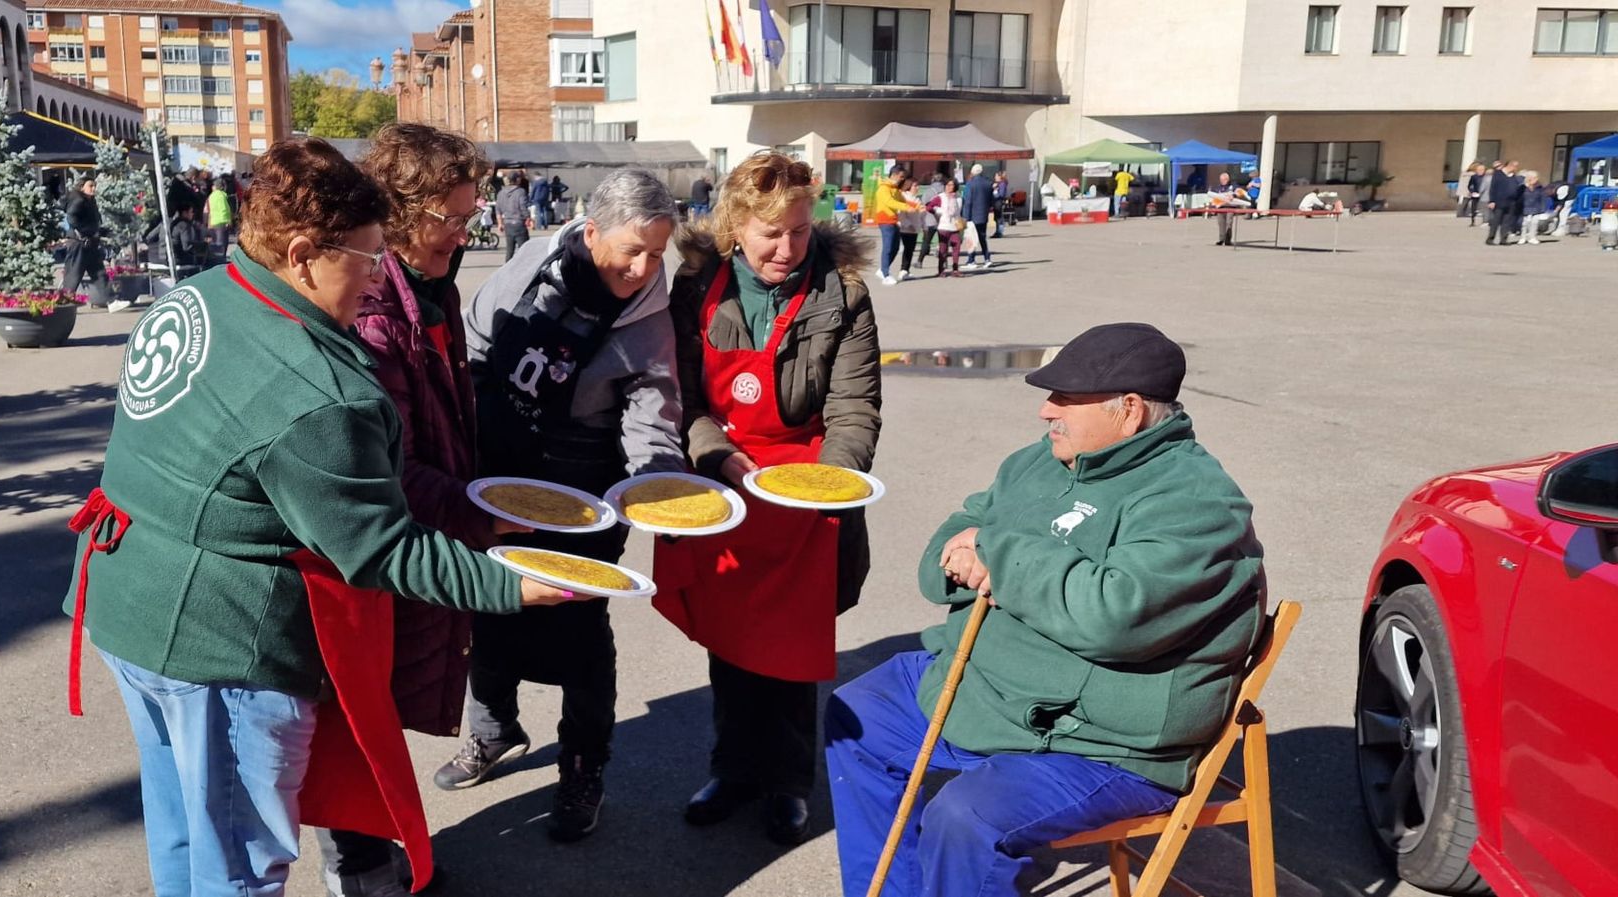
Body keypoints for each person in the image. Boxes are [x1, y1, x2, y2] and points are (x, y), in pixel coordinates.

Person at [65, 138, 582, 897]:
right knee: (240, 859)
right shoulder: (321, 391)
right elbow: (379, 550)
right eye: (369, 258)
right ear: (304, 253)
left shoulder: (200, 293)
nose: (379, 278)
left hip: (124, 602)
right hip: (220, 643)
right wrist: (513, 585)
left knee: (183, 823)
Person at [826, 322, 1267, 897]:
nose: (1045, 411)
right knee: (857, 715)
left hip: (1097, 741)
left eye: (1065, 398)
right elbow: (960, 531)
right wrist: (970, 552)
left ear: (1129, 411)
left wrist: (997, 555)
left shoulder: (1196, 501)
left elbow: (1114, 614)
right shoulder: (1043, 461)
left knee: (967, 818)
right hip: (995, 688)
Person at [445, 168, 689, 843]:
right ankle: (493, 730)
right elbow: (478, 339)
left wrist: (658, 481)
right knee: (488, 608)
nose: (643, 269)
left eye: (657, 254)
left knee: (579, 633)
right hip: (498, 467)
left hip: (583, 489)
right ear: (590, 233)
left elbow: (652, 416)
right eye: (631, 250)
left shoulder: (648, 320)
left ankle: (584, 765)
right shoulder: (534, 263)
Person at [309, 123, 514, 897]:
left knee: (386, 708)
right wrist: (475, 509)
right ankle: (358, 867)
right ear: (397, 212)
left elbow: (442, 418)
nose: (465, 233)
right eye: (450, 218)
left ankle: (382, 847)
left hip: (432, 523)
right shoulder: (371, 308)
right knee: (358, 714)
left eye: (469, 217)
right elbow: (386, 468)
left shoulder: (433, 285)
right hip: (382, 547)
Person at [656, 152, 881, 847]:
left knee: (793, 652)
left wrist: (824, 487)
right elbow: (681, 397)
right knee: (731, 646)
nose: (788, 248)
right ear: (735, 226)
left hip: (806, 491)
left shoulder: (843, 293)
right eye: (771, 234)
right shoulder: (698, 286)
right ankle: (733, 769)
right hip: (725, 481)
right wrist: (718, 457)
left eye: (800, 231)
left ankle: (787, 783)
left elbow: (855, 410)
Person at [60, 177, 121, 312]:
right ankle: (63, 304)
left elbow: (93, 223)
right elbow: (72, 219)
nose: (93, 188)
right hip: (79, 243)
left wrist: (102, 232)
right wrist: (88, 231)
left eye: (94, 185)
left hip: (90, 243)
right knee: (73, 275)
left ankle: (112, 301)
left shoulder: (90, 200)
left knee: (99, 273)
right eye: (90, 185)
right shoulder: (79, 200)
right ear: (82, 187)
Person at [871, 165, 915, 285]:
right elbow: (889, 202)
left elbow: (903, 200)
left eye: (903, 177)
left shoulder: (894, 188)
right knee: (888, 247)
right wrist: (906, 207)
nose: (902, 179)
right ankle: (885, 274)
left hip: (893, 220)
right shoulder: (883, 188)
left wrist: (916, 205)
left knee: (895, 247)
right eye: (901, 177)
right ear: (894, 175)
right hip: (885, 220)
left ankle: (883, 269)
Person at [143, 203, 204, 272]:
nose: (193, 214)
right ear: (184, 213)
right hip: (175, 259)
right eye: (191, 212)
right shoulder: (184, 225)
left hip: (159, 259)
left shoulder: (165, 223)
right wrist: (203, 245)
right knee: (204, 261)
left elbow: (148, 238)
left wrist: (161, 244)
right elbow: (187, 247)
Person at [925, 180, 963, 277]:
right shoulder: (940, 197)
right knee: (943, 249)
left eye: (952, 185)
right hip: (944, 226)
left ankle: (955, 269)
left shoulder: (958, 198)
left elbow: (960, 212)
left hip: (955, 226)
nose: (950, 187)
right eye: (948, 185)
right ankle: (941, 270)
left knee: (957, 247)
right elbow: (929, 207)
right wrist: (938, 211)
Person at [960, 164, 995, 270]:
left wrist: (966, 217)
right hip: (983, 215)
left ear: (972, 172)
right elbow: (991, 200)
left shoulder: (970, 184)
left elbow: (968, 201)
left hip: (972, 216)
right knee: (982, 237)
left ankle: (971, 260)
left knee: (971, 238)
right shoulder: (988, 184)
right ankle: (987, 259)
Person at [1487, 160, 1524, 246]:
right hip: (1499, 201)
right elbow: (1493, 188)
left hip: (1511, 202)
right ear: (1510, 166)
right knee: (1496, 221)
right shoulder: (1498, 174)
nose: (1516, 168)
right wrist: (1492, 200)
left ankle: (1503, 239)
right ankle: (1490, 239)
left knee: (1507, 222)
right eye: (1515, 166)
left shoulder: (1513, 176)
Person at [495, 172, 531, 262]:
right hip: (519, 223)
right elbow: (523, 206)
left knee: (509, 251)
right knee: (524, 250)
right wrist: (528, 217)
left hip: (507, 224)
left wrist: (500, 223)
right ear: (517, 179)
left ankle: (507, 270)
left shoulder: (501, 193)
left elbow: (498, 209)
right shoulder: (520, 192)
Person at [894, 176, 924, 282]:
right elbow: (901, 214)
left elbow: (921, 214)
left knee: (910, 250)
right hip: (906, 229)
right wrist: (908, 224)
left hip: (915, 228)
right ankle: (903, 270)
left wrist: (922, 225)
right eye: (915, 186)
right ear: (909, 186)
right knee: (907, 249)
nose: (917, 187)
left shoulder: (916, 198)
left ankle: (906, 270)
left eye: (917, 185)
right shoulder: (904, 197)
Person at [1208, 171, 1250, 247]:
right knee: (1221, 224)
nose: (1222, 181)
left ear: (1227, 179)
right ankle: (1221, 239)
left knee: (1229, 223)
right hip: (1220, 208)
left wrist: (1233, 195)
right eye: (1221, 180)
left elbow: (1240, 192)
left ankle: (1227, 240)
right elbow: (1213, 197)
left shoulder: (1233, 186)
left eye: (1224, 180)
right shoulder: (1217, 187)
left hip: (1230, 207)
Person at [1518, 170, 1548, 245]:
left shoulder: (1540, 187)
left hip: (1536, 207)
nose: (1536, 179)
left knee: (1534, 223)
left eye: (1536, 178)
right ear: (1529, 178)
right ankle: (1523, 237)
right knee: (1524, 224)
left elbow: (1543, 198)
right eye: (1534, 178)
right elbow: (1519, 197)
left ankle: (1532, 237)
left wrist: (1543, 208)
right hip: (1525, 207)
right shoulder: (1522, 187)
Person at [207, 176, 234, 258]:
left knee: (216, 244)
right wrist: (229, 221)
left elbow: (209, 210)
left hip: (214, 222)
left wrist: (209, 222)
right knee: (222, 244)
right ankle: (221, 260)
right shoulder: (222, 196)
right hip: (222, 222)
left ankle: (216, 259)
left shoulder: (211, 196)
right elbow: (225, 209)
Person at [991, 170, 1010, 236]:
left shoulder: (1002, 184)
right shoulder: (998, 184)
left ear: (1000, 177)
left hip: (999, 202)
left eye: (996, 176)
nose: (995, 177)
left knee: (999, 217)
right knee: (997, 217)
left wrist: (995, 191)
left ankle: (999, 232)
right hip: (996, 202)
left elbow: (1001, 194)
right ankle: (997, 231)